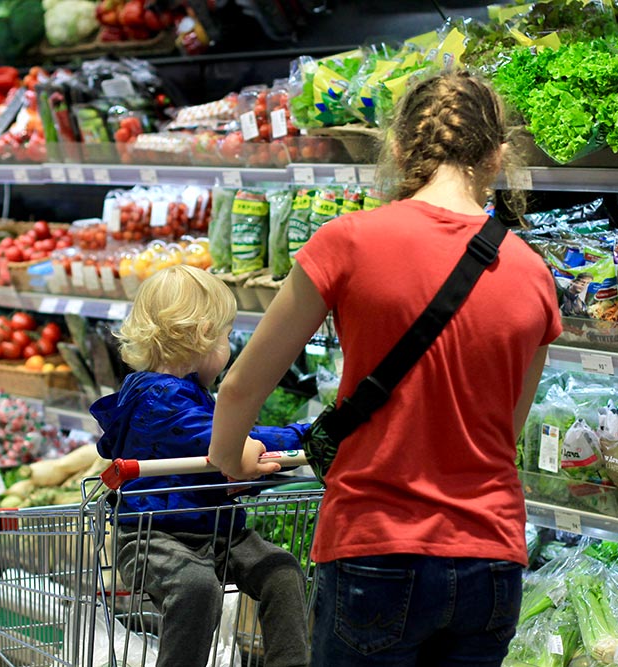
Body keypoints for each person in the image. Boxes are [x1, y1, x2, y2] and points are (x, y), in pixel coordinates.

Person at [208, 70, 562, 667]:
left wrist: (229, 459)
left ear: (399, 149)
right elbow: (505, 429)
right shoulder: (532, 272)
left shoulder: (349, 241)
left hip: (377, 548)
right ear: (498, 155)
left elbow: (241, 385)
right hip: (492, 560)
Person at [90, 264, 310, 667]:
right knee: (196, 587)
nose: (228, 348)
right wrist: (303, 434)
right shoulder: (162, 400)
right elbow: (227, 439)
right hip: (154, 537)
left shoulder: (187, 394)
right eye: (226, 336)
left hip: (215, 526)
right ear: (202, 335)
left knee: (281, 571)